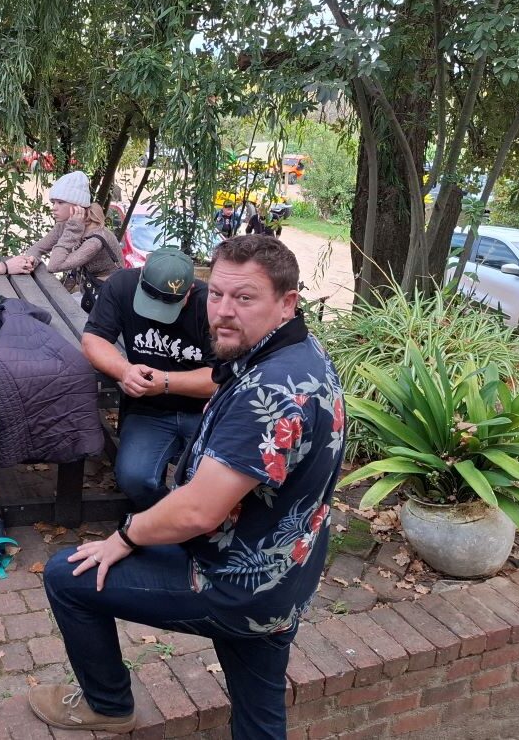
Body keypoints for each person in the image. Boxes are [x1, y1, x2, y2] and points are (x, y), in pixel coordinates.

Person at [29, 235, 346, 739]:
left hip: (233, 579)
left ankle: (108, 705)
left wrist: (125, 537)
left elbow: (198, 512)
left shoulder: (270, 391)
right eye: (216, 294)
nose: (222, 311)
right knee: (261, 719)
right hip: (285, 572)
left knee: (69, 576)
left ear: (287, 303)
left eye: (244, 298)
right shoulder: (300, 356)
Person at [81, 248, 216, 510]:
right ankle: (170, 520)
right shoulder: (121, 285)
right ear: (141, 274)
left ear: (189, 292)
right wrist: (124, 370)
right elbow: (93, 339)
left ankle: (190, 524)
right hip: (149, 411)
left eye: (170, 305)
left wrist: (165, 382)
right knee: (134, 478)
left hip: (204, 413)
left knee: (214, 483)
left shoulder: (210, 304)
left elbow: (222, 378)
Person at [25, 171, 123, 309]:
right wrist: (32, 259)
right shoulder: (65, 224)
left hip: (107, 300)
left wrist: (72, 231)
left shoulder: (95, 240)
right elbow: (38, 248)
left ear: (77, 206)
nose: (54, 208)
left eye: (60, 202)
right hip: (88, 293)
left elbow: (54, 266)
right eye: (53, 202)